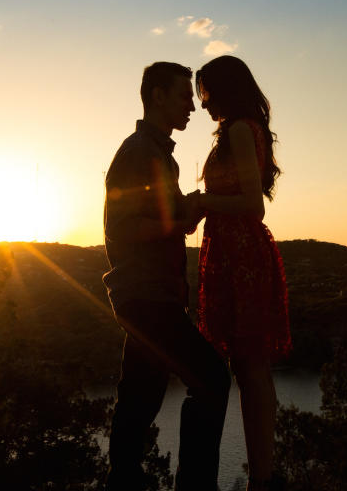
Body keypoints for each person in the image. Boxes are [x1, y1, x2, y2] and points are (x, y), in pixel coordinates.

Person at [102, 61, 231, 491]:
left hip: (151, 295)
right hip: (146, 295)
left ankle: (122, 480)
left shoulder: (157, 154)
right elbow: (125, 229)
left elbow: (159, 219)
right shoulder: (139, 152)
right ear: (157, 96)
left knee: (140, 397)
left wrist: (184, 212)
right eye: (183, 96)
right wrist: (180, 220)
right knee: (212, 379)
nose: (191, 107)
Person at [194, 56, 291, 491]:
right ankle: (262, 477)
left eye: (205, 93)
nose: (201, 104)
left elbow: (254, 205)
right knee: (252, 368)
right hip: (235, 254)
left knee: (250, 369)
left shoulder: (238, 129)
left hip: (240, 257)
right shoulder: (248, 128)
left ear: (223, 89)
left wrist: (201, 203)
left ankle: (262, 479)